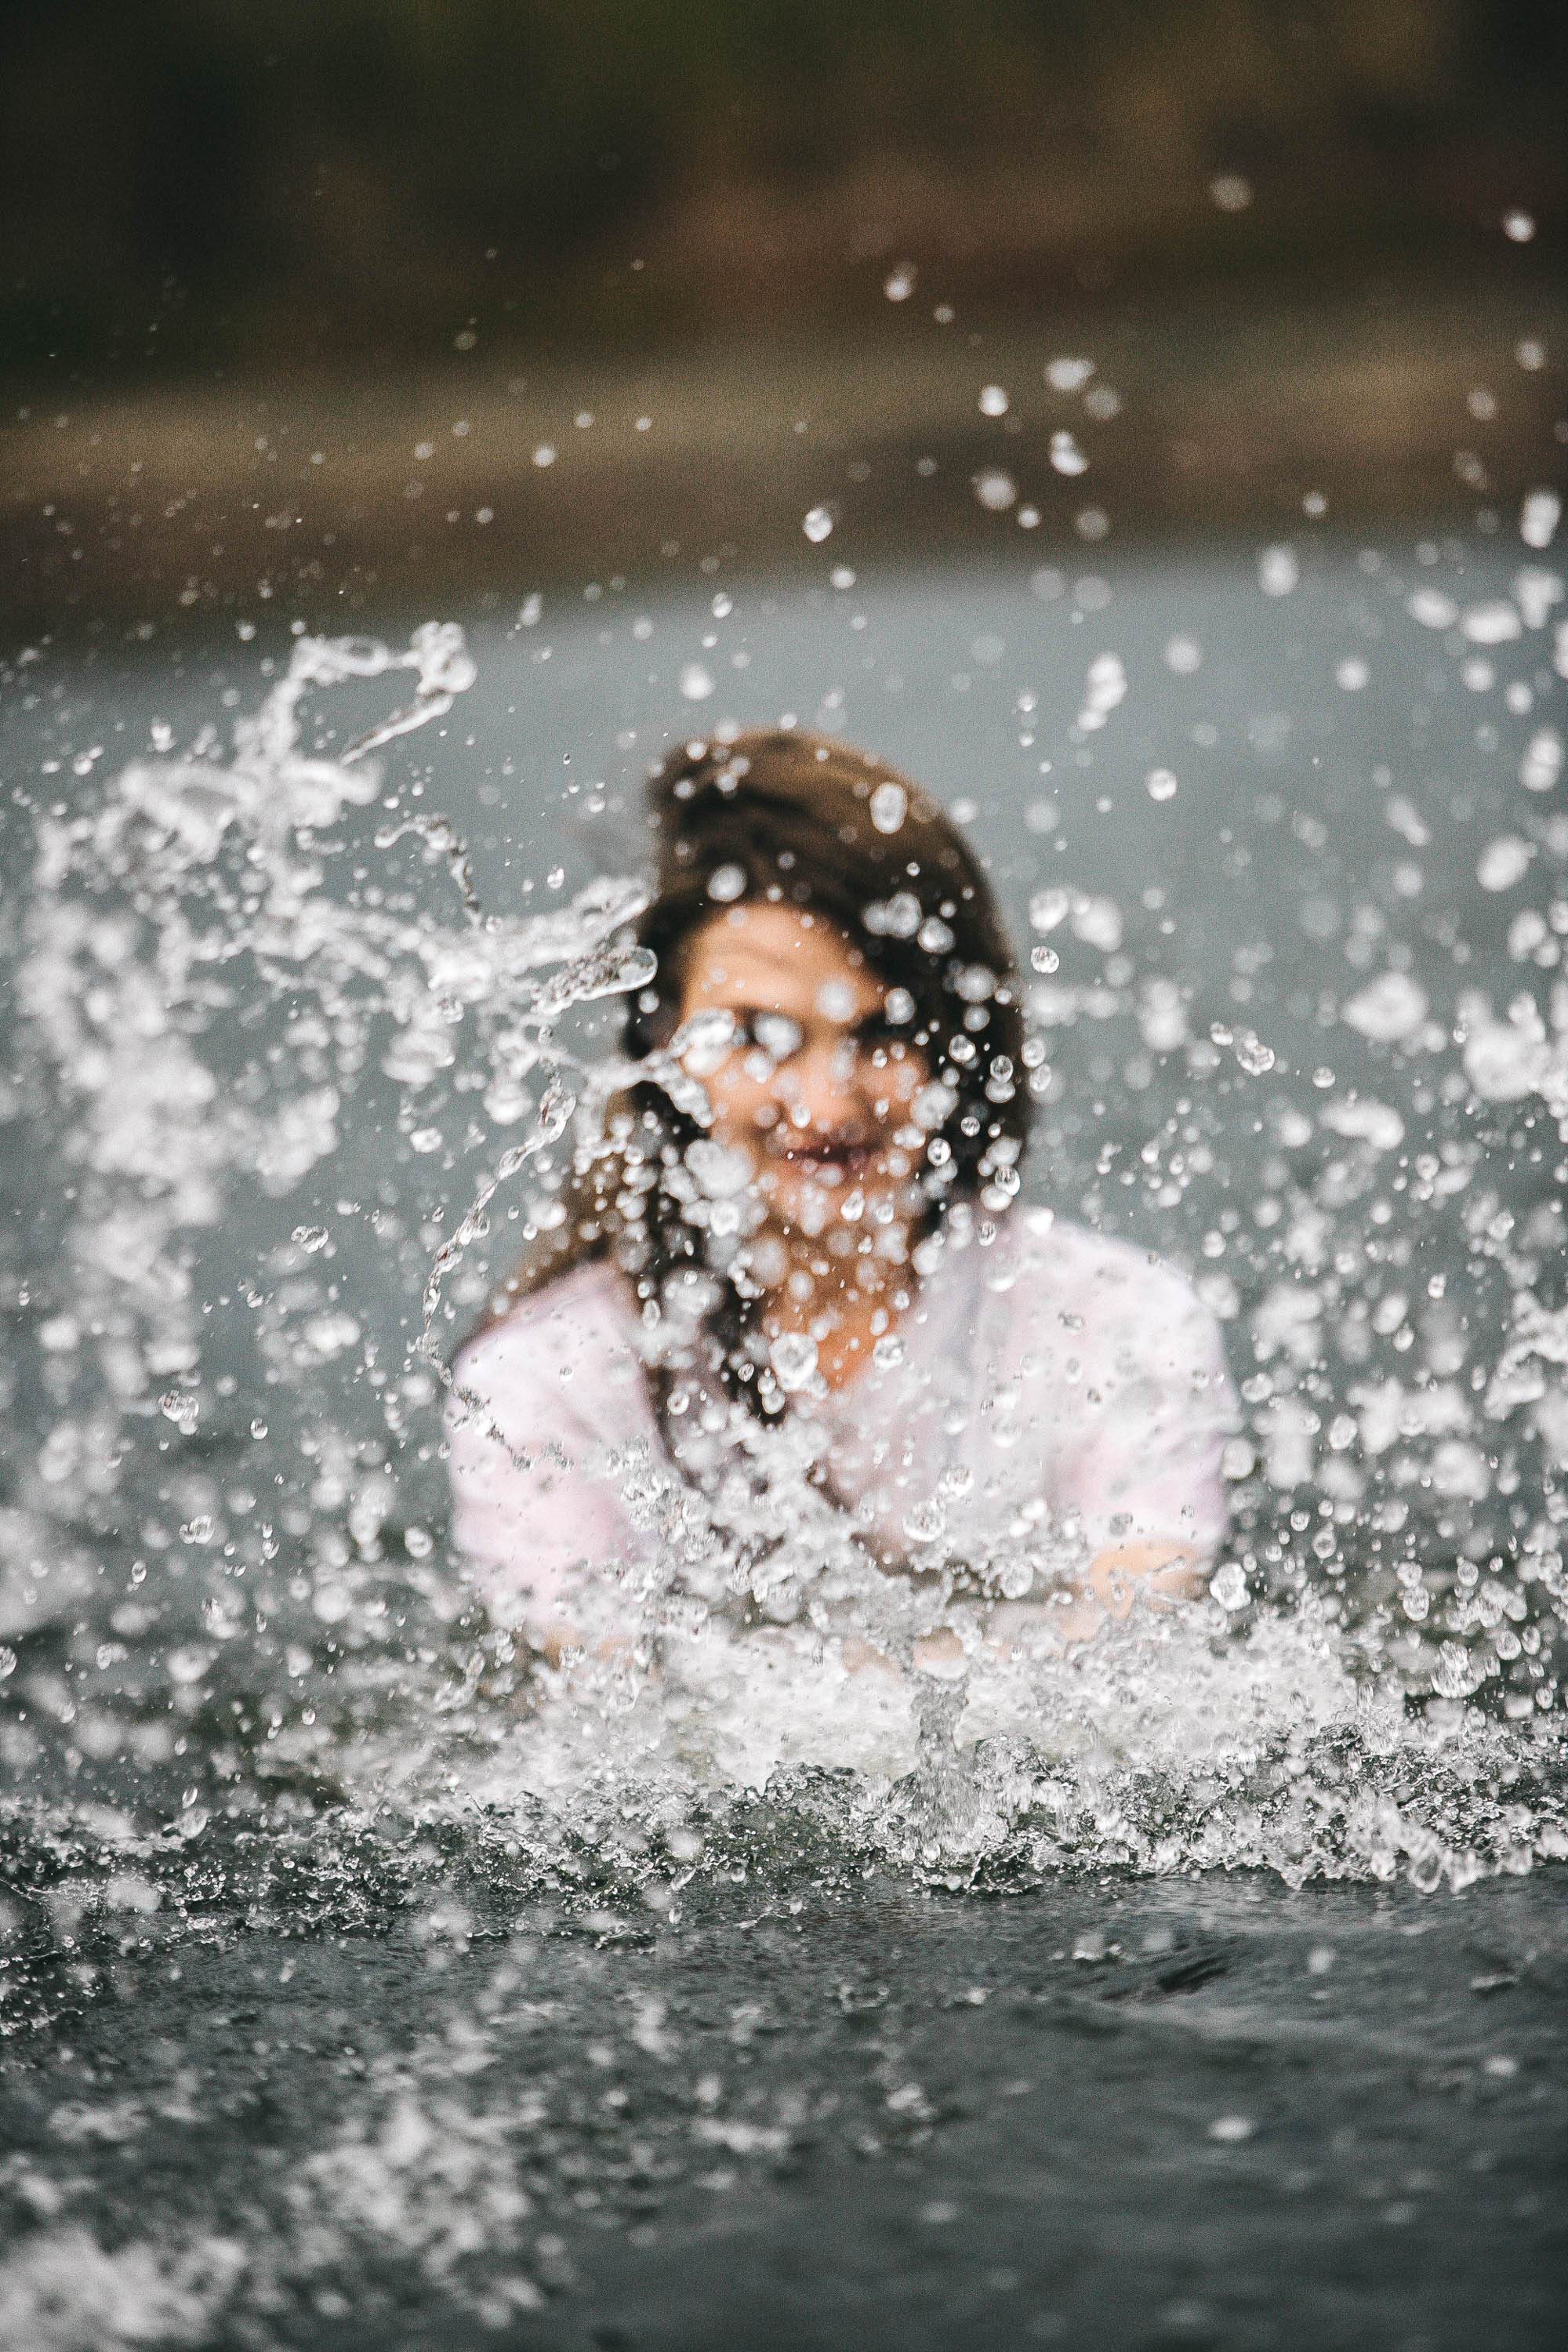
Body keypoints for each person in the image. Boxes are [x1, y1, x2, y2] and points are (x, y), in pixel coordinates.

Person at [446, 728, 1239, 1686]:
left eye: (881, 1032)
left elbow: (1137, 1644)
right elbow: (623, 1706)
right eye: (757, 1035)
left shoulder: (1120, 1327)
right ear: (658, 1042)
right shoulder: (544, 1390)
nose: (828, 1106)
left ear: (960, 1038)